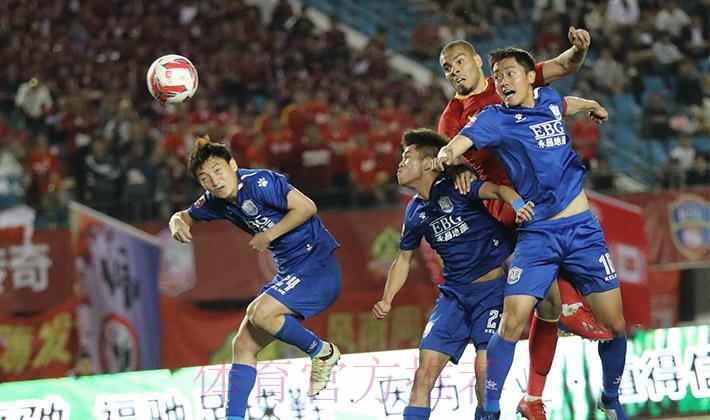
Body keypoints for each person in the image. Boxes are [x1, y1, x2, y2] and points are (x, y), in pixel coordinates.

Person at [430, 47, 629, 420]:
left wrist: (590, 97)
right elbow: (456, 145)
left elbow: (565, 93)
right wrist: (449, 160)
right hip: (520, 215)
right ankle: (493, 406)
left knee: (602, 322)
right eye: (447, 67)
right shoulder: (481, 117)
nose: (454, 71)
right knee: (519, 317)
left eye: (459, 62)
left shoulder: (537, 93)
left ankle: (577, 396)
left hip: (578, 226)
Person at [169, 136, 342, 420]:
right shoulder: (216, 201)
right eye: (204, 177)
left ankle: (321, 352)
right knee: (243, 345)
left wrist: (269, 235)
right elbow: (185, 216)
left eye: (217, 170)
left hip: (317, 267)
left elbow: (307, 207)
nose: (214, 180)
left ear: (233, 165)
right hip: (291, 272)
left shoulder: (260, 183)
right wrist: (176, 221)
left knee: (259, 313)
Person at [372, 128, 534, 420]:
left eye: (407, 157)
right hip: (454, 297)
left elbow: (498, 191)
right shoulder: (415, 212)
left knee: (484, 375)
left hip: (492, 292)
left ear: (427, 163)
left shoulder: (459, 185)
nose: (400, 164)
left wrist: (518, 205)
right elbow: (404, 258)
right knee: (423, 373)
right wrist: (387, 298)